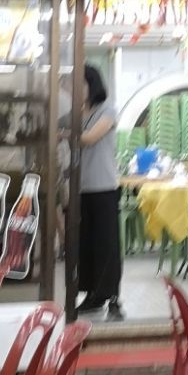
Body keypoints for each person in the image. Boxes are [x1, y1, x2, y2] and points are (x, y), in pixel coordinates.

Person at [75, 65, 123, 320]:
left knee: (107, 244)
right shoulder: (77, 113)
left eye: (80, 83)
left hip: (104, 188)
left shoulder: (108, 111)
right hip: (83, 188)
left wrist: (63, 133)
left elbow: (90, 138)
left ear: (91, 84)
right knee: (87, 245)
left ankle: (111, 294)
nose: (75, 88)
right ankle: (92, 294)